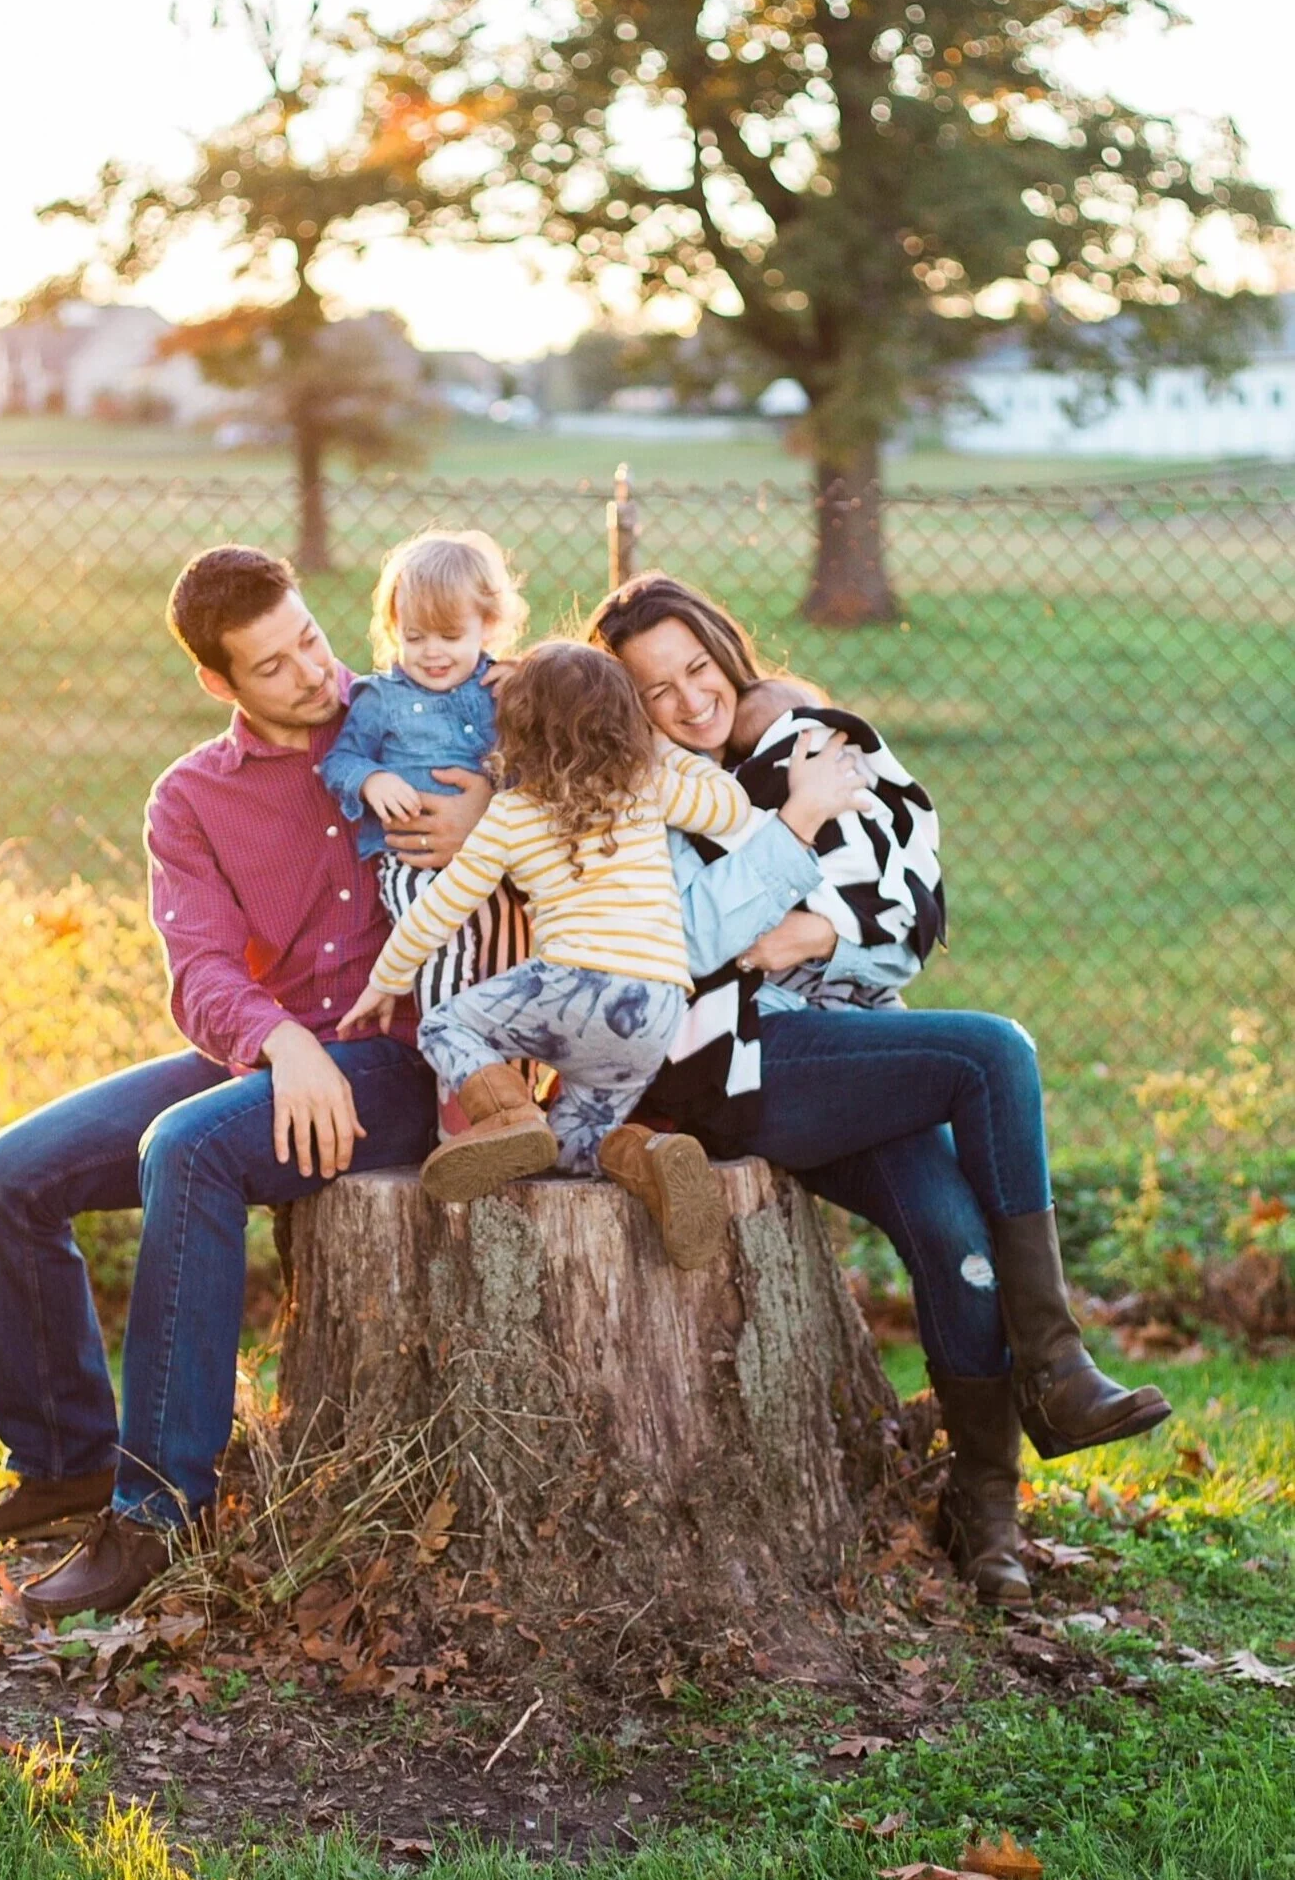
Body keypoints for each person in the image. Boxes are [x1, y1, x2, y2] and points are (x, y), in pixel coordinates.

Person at [588, 572, 1171, 1611]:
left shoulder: (806, 734)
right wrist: (793, 917)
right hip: (723, 1061)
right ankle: (1056, 1363)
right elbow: (690, 946)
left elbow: (913, 889)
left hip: (844, 1054)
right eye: (655, 688)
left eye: (696, 668)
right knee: (994, 1052)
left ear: (725, 650)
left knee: (956, 1240)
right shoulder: (643, 791)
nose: (688, 700)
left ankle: (986, 1518)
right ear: (627, 704)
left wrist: (820, 929)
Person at [0, 546, 487, 1619]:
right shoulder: (189, 797)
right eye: (272, 667)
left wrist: (484, 818)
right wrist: (280, 1043)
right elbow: (200, 973)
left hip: (418, 1054)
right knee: (3, 1175)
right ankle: (62, 1460)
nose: (314, 675)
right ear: (218, 683)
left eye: (312, 640)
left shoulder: (417, 722)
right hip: (276, 1048)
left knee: (187, 1150)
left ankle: (157, 1511)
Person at [336, 642, 776, 1266]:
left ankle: (508, 1115)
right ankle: (648, 1158)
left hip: (573, 986)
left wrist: (387, 979)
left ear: (516, 729)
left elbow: (443, 907)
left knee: (445, 1024)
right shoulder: (647, 786)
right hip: (655, 1012)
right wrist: (666, 750)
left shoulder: (513, 811)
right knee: (576, 1146)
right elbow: (732, 807)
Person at [320, 529, 529, 1026]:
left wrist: (533, 683)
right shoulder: (381, 697)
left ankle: (508, 1068)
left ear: (488, 625)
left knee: (510, 949)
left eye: (450, 637)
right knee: (441, 939)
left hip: (494, 855)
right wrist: (371, 780)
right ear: (395, 629)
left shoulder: (506, 686)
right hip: (414, 860)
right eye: (415, 637)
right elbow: (340, 760)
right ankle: (448, 1047)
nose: (432, 652)